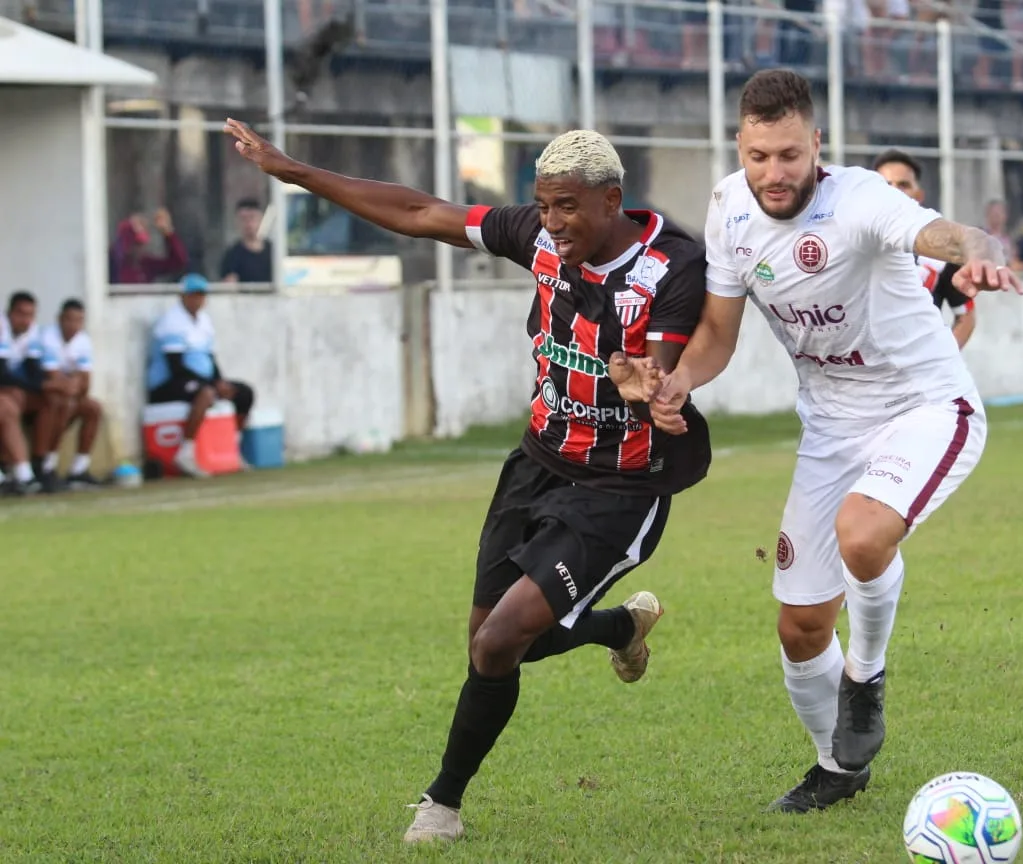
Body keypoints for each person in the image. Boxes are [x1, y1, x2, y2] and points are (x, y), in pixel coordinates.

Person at [223, 118, 713, 844]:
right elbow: (422, 213)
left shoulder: (671, 263)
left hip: (619, 489)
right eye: (543, 206)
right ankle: (618, 627)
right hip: (535, 465)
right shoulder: (542, 238)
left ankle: (441, 805)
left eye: (568, 207)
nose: (551, 223)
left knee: (497, 645)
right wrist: (296, 172)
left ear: (612, 200)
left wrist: (657, 386)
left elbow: (667, 360)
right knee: (491, 641)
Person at [616, 69, 1022, 814]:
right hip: (831, 427)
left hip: (926, 405)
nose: (775, 174)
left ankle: (865, 678)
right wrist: (677, 382)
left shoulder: (861, 197)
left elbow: (948, 233)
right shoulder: (728, 209)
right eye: (760, 155)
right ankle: (837, 767)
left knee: (863, 535)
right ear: (740, 145)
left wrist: (979, 250)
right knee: (800, 626)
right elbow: (716, 335)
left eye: (791, 156)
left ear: (817, 146)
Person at [145, 274, 256, 478]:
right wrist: (212, 384)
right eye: (193, 295)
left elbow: (210, 358)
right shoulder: (172, 322)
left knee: (244, 393)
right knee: (206, 393)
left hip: (200, 380)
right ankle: (186, 453)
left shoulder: (204, 321)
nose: (198, 300)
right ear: (183, 296)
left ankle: (234, 448)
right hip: (168, 383)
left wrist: (219, 381)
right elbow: (176, 366)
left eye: (201, 296)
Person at [871, 150, 977, 350]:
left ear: (918, 195)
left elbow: (966, 315)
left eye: (903, 185)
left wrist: (943, 359)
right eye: (886, 185)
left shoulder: (942, 251)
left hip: (919, 374)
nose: (895, 191)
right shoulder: (853, 242)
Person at [38, 299, 105, 488]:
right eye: (70, 320)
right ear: (60, 319)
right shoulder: (48, 337)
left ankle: (79, 469)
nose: (74, 325)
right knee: (61, 403)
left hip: (70, 395)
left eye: (79, 320)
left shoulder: (83, 341)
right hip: (48, 397)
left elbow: (85, 383)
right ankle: (46, 465)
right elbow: (51, 377)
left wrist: (71, 383)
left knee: (93, 408)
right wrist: (71, 382)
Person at [1, 291, 64, 493]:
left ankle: (40, 465)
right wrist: (43, 385)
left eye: (30, 315)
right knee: (8, 406)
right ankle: (21, 474)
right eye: (21, 314)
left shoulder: (32, 332)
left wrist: (49, 385)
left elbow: (32, 370)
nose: (26, 320)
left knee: (52, 400)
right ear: (9, 313)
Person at [220, 198, 273, 283]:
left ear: (261, 219)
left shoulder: (274, 252)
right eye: (244, 219)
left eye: (252, 218)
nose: (248, 223)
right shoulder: (233, 255)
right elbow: (229, 285)